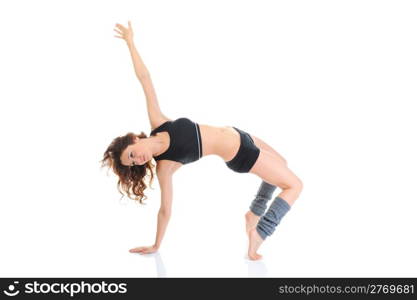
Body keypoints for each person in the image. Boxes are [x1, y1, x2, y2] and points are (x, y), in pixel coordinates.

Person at [100, 21, 303, 261]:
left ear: (134, 139)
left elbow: (144, 79)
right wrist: (156, 245)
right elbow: (165, 210)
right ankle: (260, 233)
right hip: (240, 154)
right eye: (133, 164)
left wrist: (130, 43)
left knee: (283, 163)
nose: (138, 160)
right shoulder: (165, 165)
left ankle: (254, 214)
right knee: (294, 186)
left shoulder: (158, 123)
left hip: (242, 135)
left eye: (132, 154)